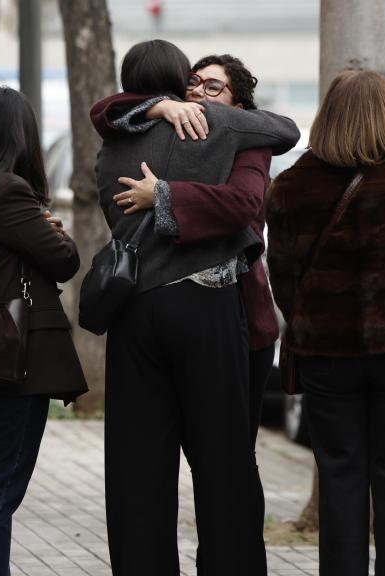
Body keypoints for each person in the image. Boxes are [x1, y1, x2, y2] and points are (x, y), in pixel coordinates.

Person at [95, 39, 298, 576]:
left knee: (138, 467)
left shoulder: (113, 143)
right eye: (192, 83)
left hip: (133, 311)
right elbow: (287, 132)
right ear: (174, 82)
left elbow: (105, 111)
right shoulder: (227, 130)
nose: (198, 94)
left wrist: (164, 188)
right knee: (224, 462)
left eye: (210, 87)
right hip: (204, 307)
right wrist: (201, 111)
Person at [266, 69, 385, 576]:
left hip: (327, 357)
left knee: (340, 476)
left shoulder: (289, 188)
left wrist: (316, 317)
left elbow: (283, 281)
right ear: (383, 117)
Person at [0, 85, 87, 575]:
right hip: (14, 353)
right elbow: (63, 260)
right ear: (20, 134)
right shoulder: (8, 190)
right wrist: (56, 229)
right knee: (0, 487)